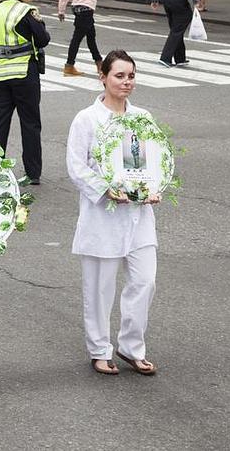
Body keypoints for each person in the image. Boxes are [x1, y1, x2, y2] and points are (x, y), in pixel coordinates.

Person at [66, 50, 161, 377]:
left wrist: (154, 187)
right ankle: (99, 349)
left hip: (138, 217)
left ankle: (131, 345)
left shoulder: (143, 117)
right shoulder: (87, 119)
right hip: (102, 216)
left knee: (144, 281)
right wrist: (105, 189)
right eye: (119, 76)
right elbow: (76, 167)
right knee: (100, 287)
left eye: (131, 76)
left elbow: (153, 161)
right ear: (103, 77)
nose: (126, 82)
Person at [0, 0, 49, 184]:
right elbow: (43, 39)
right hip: (23, 74)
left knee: (0, 121)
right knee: (30, 122)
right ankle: (32, 173)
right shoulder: (25, 12)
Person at [57, 0, 111, 76]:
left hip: (77, 8)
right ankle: (69, 65)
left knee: (91, 36)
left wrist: (61, 10)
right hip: (86, 9)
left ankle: (99, 63)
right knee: (77, 38)